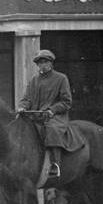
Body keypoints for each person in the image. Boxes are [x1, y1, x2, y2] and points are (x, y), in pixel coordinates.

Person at [18, 49, 73, 178]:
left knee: (51, 129)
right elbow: (26, 99)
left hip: (54, 116)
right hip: (36, 116)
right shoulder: (34, 80)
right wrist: (22, 107)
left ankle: (55, 164)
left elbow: (66, 102)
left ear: (51, 63)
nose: (42, 65)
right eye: (39, 63)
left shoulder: (61, 78)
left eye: (45, 62)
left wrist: (52, 110)